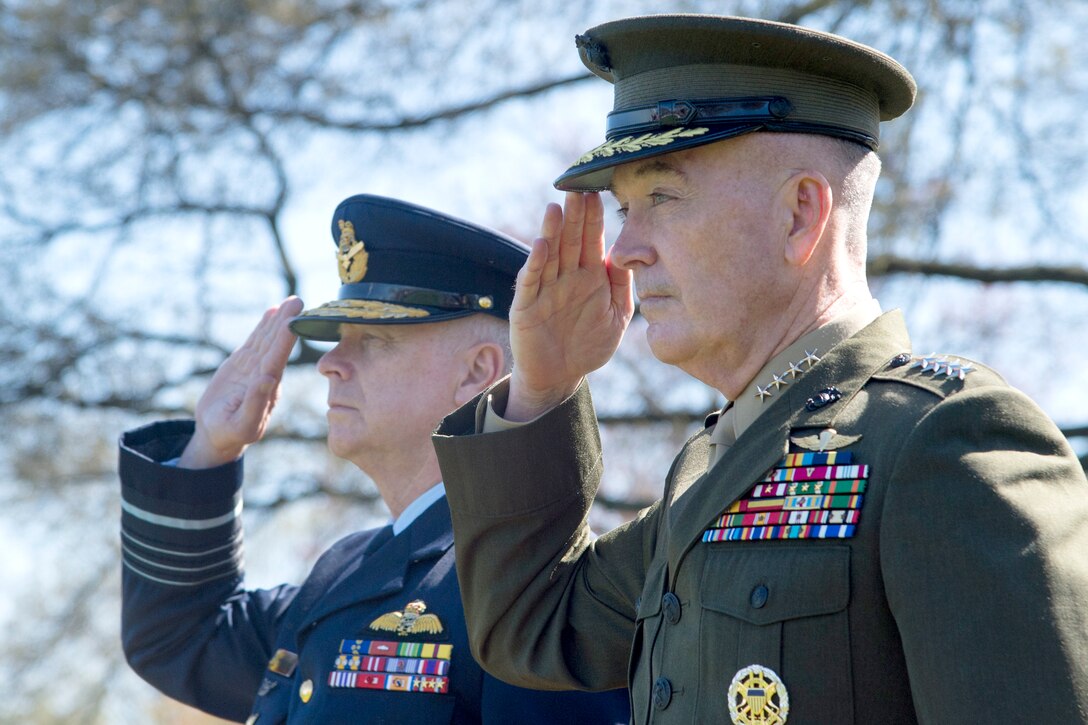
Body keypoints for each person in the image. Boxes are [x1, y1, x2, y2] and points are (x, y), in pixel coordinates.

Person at [431, 14, 1088, 725]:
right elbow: (531, 626)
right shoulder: (716, 469)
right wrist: (542, 387)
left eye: (662, 197)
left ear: (799, 215)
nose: (624, 250)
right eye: (625, 208)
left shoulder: (948, 438)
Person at [117, 194, 630, 724]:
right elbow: (180, 638)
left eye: (374, 341)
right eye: (339, 340)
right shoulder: (344, 571)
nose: (330, 365)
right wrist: (210, 448)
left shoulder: (528, 579)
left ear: (477, 372)